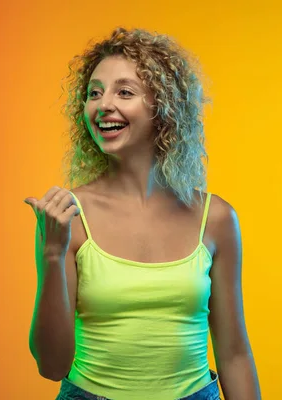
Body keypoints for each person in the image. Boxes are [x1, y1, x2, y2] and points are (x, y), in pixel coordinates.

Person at [24, 27, 261, 400]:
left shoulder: (214, 219)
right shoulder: (67, 216)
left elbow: (233, 354)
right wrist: (53, 254)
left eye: (125, 92)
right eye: (94, 93)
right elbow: (52, 366)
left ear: (163, 107)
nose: (103, 105)